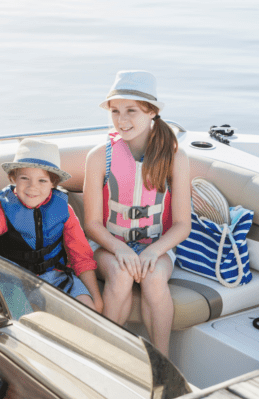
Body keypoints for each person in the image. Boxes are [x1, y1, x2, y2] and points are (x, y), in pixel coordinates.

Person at [83, 70, 191, 356]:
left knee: (154, 278)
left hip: (157, 246)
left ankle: (161, 361)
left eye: (131, 110)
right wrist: (120, 249)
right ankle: (105, 355)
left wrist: (153, 252)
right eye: (115, 111)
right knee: (120, 274)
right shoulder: (98, 157)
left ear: (151, 112)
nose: (122, 119)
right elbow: (92, 223)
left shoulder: (175, 157)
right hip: (107, 245)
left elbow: (182, 225)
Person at [0, 139, 103, 313]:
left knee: (88, 310)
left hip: (56, 276)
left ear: (53, 183)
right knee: (26, 321)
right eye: (24, 178)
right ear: (13, 177)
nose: (32, 187)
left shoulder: (63, 210)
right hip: (12, 281)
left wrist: (95, 298)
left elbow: (81, 256)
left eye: (42, 181)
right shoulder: (4, 209)